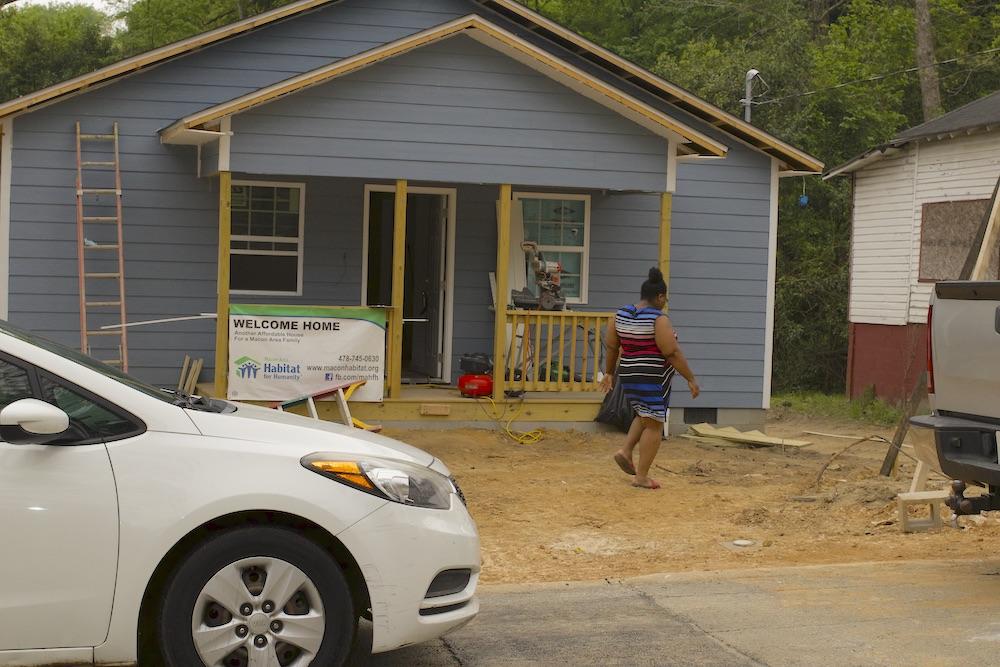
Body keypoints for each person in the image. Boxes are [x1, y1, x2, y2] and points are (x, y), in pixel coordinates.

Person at [599, 267, 700, 489]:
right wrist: (690, 378)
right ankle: (642, 476)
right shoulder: (658, 319)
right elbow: (670, 351)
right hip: (652, 376)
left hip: (628, 374)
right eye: (665, 298)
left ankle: (625, 451)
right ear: (660, 296)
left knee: (644, 414)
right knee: (654, 424)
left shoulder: (619, 315)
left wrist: (608, 373)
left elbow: (612, 347)